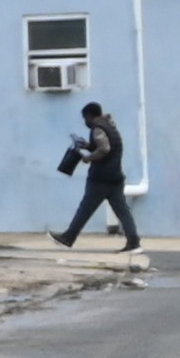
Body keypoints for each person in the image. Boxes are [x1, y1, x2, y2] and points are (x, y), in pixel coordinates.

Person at [56, 103, 139, 249]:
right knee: (123, 212)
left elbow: (105, 148)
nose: (85, 122)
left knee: (85, 209)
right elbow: (107, 146)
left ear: (89, 115)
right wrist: (88, 145)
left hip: (101, 178)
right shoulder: (110, 126)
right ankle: (133, 242)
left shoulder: (98, 128)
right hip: (115, 177)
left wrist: (88, 157)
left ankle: (68, 237)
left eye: (85, 118)